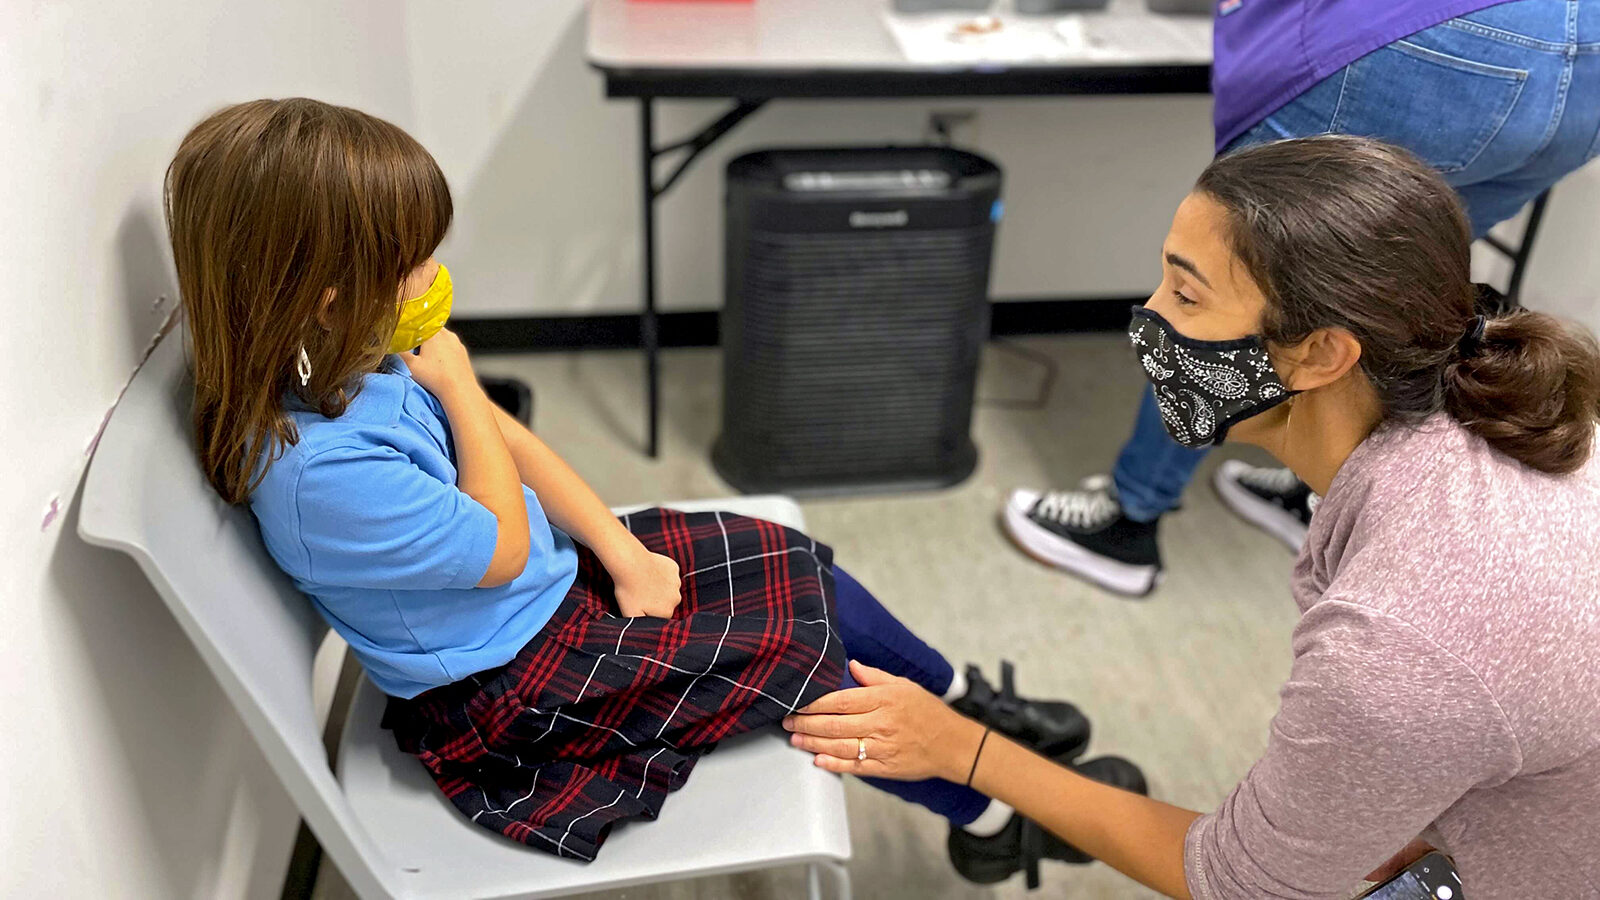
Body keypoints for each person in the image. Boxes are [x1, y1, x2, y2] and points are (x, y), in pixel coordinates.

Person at [163, 97, 1146, 868]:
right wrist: (458, 385)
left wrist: (623, 549)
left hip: (541, 594)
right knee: (803, 670)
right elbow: (501, 536)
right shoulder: (319, 472)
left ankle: (960, 701)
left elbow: (506, 447)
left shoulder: (349, 354)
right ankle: (984, 817)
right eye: (409, 258)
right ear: (328, 290)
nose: (431, 273)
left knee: (788, 561)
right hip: (506, 688)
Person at [787, 136, 1600, 896]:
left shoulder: (1398, 647)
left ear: (1320, 353)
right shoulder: (1500, 433)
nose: (1149, 318)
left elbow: (1235, 883)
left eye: (1185, 293)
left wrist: (959, 749)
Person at [1004, 0, 1600, 596]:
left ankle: (1129, 523)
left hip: (1433, 38)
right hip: (1584, 64)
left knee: (1231, 284)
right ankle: (1322, 495)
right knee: (1395, 288)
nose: (1147, 318)